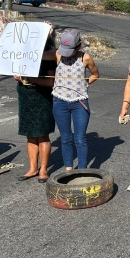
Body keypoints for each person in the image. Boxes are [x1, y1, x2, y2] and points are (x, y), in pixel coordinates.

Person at [50, 29, 99, 171]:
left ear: (78, 46)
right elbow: (39, 53)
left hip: (80, 103)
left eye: (70, 50)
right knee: (65, 138)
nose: (67, 53)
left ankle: (82, 171)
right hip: (60, 101)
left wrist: (84, 83)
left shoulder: (85, 58)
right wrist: (49, 33)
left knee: (80, 139)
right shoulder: (58, 55)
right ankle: (68, 170)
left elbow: (95, 74)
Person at [14, 27, 57, 183]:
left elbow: (51, 81)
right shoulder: (23, 54)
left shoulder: (50, 55)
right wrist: (18, 76)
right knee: (30, 134)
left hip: (42, 97)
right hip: (25, 96)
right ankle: (32, 168)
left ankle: (44, 170)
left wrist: (31, 79)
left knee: (42, 133)